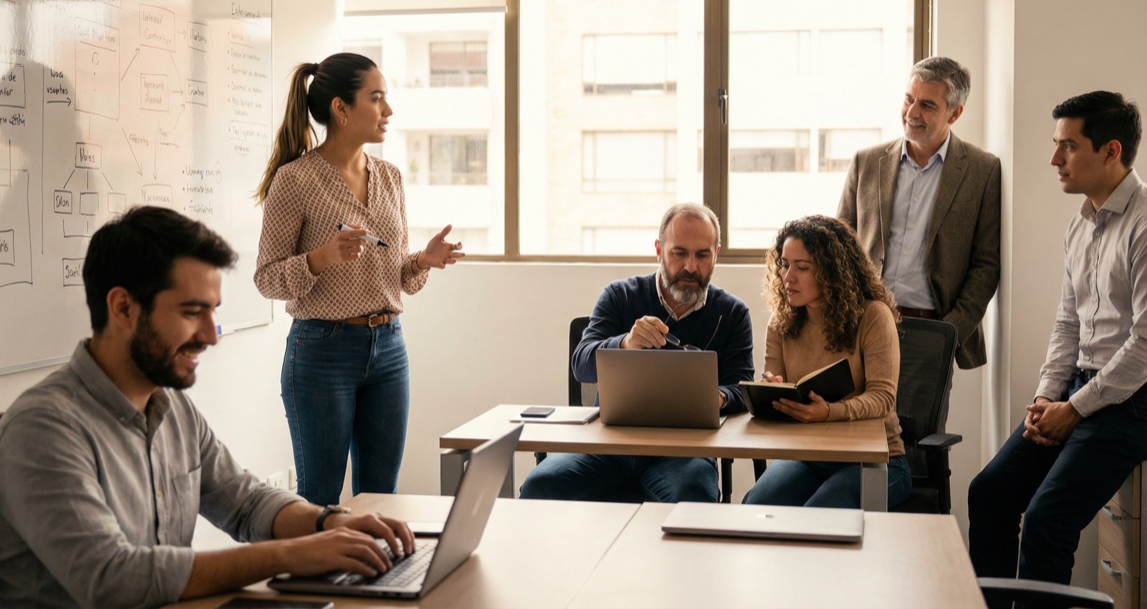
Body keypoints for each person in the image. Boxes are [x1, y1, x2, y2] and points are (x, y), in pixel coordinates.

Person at [0, 206, 416, 609]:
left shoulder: (171, 407)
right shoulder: (42, 430)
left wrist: (327, 523)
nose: (210, 336)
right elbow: (112, 579)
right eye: (192, 313)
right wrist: (292, 554)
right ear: (123, 308)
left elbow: (246, 502)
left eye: (213, 313)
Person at [254, 53, 463, 505]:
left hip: (389, 349)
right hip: (321, 352)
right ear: (341, 109)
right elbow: (267, 279)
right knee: (319, 499)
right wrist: (320, 258)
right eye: (376, 98)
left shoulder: (390, 178)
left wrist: (422, 261)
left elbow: (399, 275)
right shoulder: (295, 180)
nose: (388, 110)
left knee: (381, 498)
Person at [969, 91, 1146, 585]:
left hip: (1131, 401)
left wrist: (1076, 408)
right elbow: (1069, 322)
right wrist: (1048, 397)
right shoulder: (1079, 225)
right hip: (1076, 390)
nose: (1054, 159)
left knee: (1047, 522)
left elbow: (1145, 344)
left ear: (1111, 151)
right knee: (989, 493)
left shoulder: (1144, 224)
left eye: (1068, 146)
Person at [519, 203, 754, 503]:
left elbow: (742, 387)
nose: (691, 267)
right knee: (539, 485)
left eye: (702, 255)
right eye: (679, 253)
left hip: (684, 453)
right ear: (659, 250)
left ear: (716, 254)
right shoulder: (619, 296)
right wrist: (626, 344)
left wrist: (718, 397)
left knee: (693, 500)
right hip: (607, 447)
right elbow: (581, 364)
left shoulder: (732, 313)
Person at [838, 56, 1001, 370]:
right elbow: (839, 245)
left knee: (919, 407)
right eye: (908, 99)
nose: (912, 113)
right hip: (863, 323)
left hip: (931, 331)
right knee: (855, 405)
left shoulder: (983, 170)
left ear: (955, 113)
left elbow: (986, 265)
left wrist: (949, 333)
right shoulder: (866, 161)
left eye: (926, 105)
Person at [744, 215, 910, 509]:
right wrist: (772, 390)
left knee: (818, 517)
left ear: (832, 272)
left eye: (802, 267)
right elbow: (773, 384)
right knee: (756, 506)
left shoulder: (873, 316)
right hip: (808, 456)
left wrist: (830, 412)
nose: (788, 277)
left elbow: (883, 398)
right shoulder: (781, 323)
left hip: (876, 461)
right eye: (784, 264)